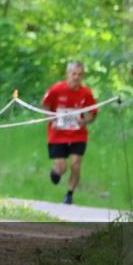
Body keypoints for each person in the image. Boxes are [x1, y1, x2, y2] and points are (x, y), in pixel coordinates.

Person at [42, 61, 98, 205]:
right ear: (68, 74)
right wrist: (52, 120)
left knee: (76, 164)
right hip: (57, 134)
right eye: (74, 74)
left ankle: (69, 195)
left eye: (80, 74)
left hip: (77, 134)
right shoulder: (56, 90)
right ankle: (56, 172)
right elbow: (44, 106)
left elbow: (93, 113)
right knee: (62, 167)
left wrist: (84, 122)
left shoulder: (86, 93)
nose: (76, 77)